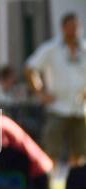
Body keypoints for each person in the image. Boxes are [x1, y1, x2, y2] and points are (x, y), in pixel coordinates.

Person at [26, 12, 86, 168]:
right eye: (71, 26)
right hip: (57, 107)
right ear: (63, 28)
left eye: (77, 26)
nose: (75, 30)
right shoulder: (51, 48)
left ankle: (77, 184)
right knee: (52, 149)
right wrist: (41, 93)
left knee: (79, 151)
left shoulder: (84, 48)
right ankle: (50, 182)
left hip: (80, 108)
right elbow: (30, 68)